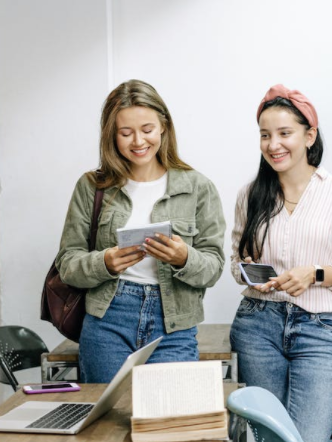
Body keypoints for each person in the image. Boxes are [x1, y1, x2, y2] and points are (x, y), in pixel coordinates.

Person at [229, 84, 332, 442]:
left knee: (308, 437)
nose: (273, 144)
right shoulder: (250, 195)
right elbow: (235, 263)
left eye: (285, 133)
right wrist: (251, 274)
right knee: (268, 437)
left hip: (321, 330)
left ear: (309, 136)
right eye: (265, 135)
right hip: (257, 326)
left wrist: (317, 274)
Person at [55, 79, 226, 383]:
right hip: (108, 320)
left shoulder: (198, 187)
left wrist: (184, 257)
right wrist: (104, 262)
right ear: (112, 135)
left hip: (174, 323)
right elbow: (67, 264)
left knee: (167, 422)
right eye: (125, 133)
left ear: (163, 126)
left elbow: (213, 267)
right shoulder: (91, 187)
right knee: (106, 423)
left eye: (147, 129)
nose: (137, 141)